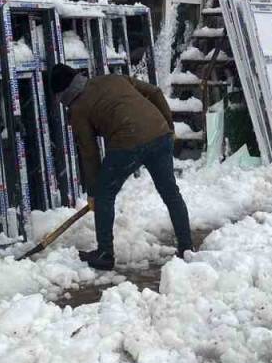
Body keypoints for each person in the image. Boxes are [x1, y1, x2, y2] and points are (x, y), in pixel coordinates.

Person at [49, 64, 193, 270]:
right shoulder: (112, 79)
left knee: (104, 194)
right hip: (160, 133)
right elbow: (155, 91)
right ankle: (187, 247)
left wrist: (93, 193)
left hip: (127, 142)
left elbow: (90, 154)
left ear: (62, 94)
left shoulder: (78, 109)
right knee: (170, 192)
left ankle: (105, 253)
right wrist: (169, 126)